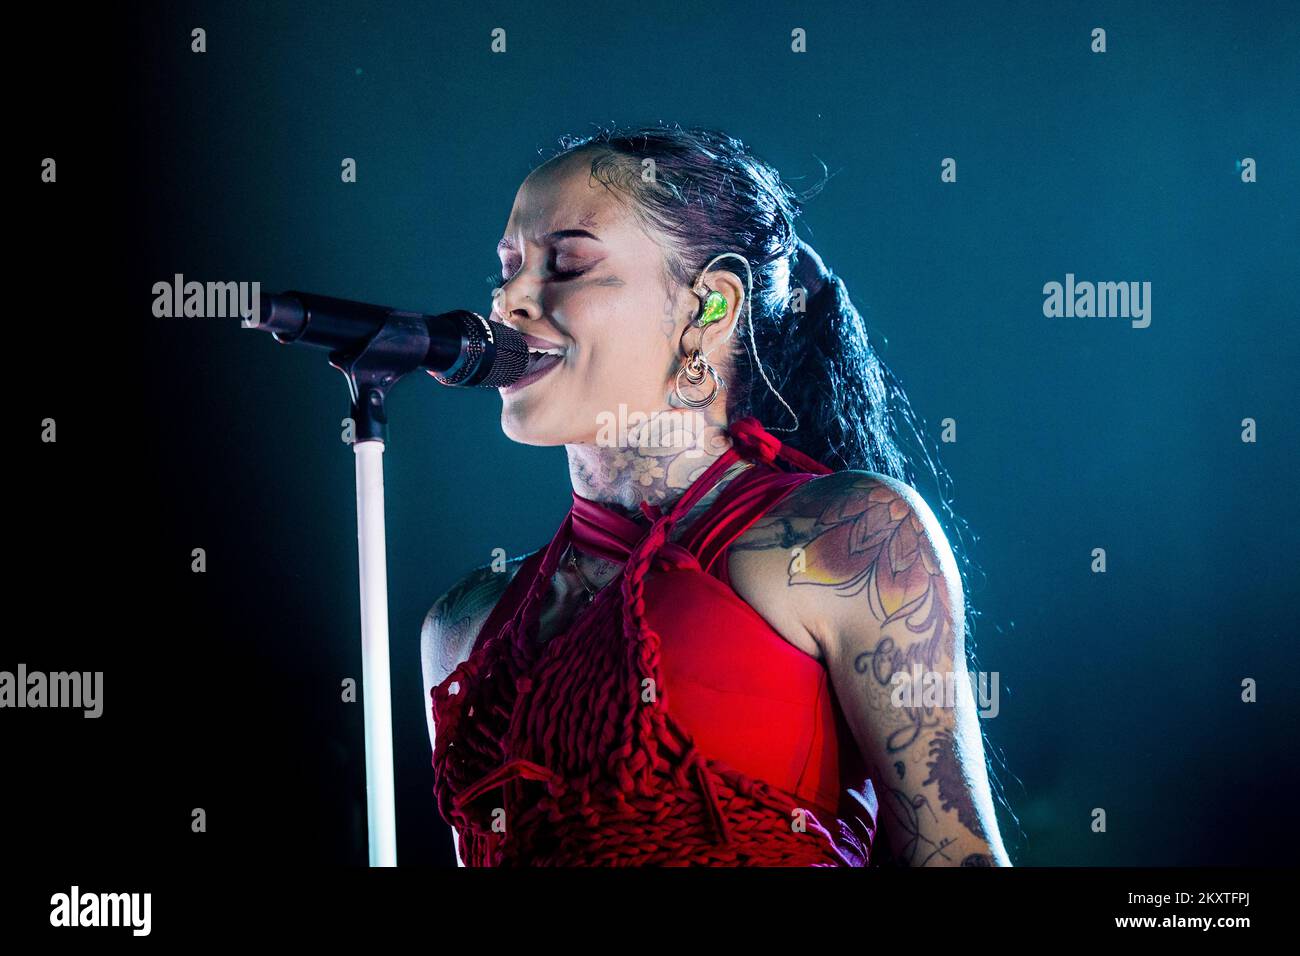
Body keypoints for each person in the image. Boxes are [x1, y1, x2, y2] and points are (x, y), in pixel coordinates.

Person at [421, 124, 1011, 866]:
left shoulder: (849, 538)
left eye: (565, 263)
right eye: (505, 271)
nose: (508, 302)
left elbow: (957, 858)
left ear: (710, 308)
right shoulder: (463, 627)